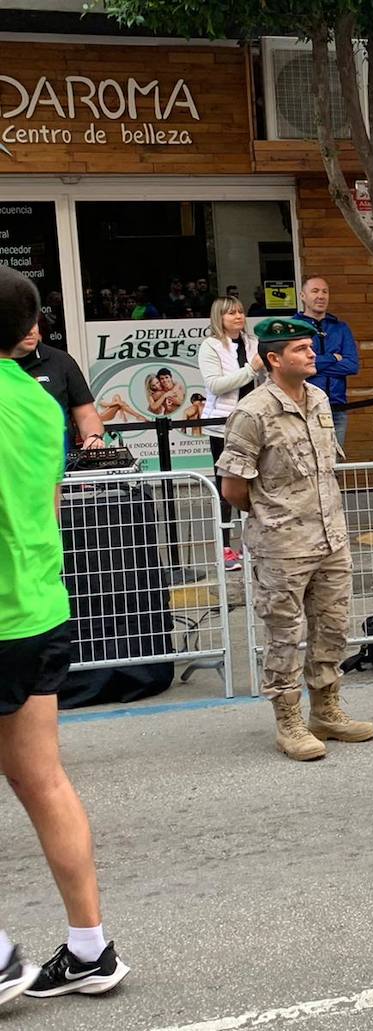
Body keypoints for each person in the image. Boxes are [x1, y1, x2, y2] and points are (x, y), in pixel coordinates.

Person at [0, 264, 131, 1006]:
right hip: (41, 609)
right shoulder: (35, 399)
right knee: (41, 779)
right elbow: (44, 506)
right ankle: (90, 947)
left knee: (39, 779)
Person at [216, 317, 373, 762]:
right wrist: (277, 515)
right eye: (302, 349)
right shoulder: (252, 413)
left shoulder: (320, 399)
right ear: (273, 359)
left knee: (332, 628)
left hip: (331, 538)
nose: (311, 354)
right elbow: (233, 487)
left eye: (311, 347)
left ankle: (326, 710)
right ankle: (289, 720)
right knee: (285, 634)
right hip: (283, 545)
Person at [199, 295, 266, 571]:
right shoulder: (211, 346)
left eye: (240, 312)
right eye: (231, 314)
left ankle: (251, 543)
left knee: (255, 480)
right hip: (224, 423)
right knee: (227, 483)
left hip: (254, 421)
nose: (238, 317)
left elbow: (265, 378)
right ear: (220, 319)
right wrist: (252, 369)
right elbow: (216, 385)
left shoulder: (253, 344)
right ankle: (226, 547)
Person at [14, 322, 107, 451]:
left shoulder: (61, 361)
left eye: (33, 323)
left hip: (57, 461)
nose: (30, 331)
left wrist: (93, 436)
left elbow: (86, 414)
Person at [296, 275, 359, 448]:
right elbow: (298, 366)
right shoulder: (294, 328)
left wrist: (315, 365)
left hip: (336, 407)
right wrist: (333, 358)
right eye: (315, 291)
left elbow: (352, 365)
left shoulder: (340, 327)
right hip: (304, 406)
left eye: (325, 291)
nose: (321, 296)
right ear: (302, 296)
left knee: (335, 463)